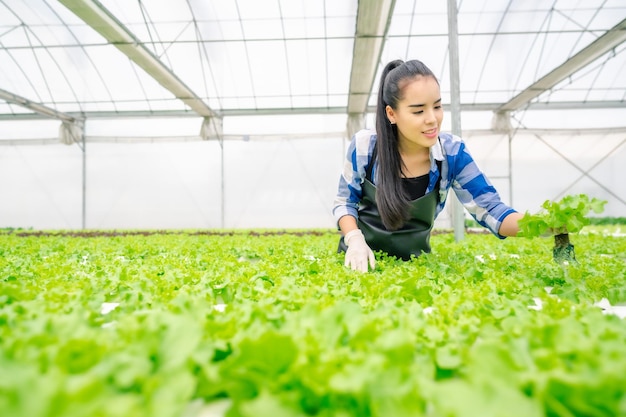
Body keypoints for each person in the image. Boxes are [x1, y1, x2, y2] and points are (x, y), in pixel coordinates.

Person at [333, 59, 523, 272]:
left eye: (437, 106)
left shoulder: (453, 153)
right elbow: (344, 202)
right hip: (360, 264)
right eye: (418, 111)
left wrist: (543, 224)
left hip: (417, 268)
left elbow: (490, 209)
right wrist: (355, 239)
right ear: (391, 114)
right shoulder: (365, 146)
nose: (432, 119)